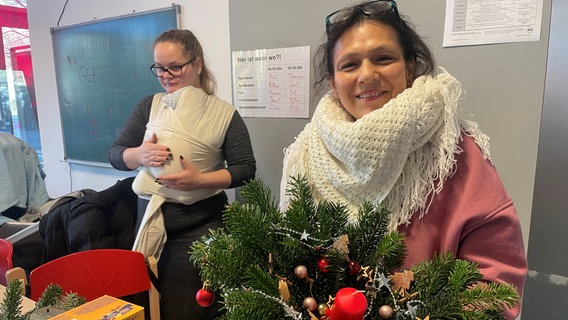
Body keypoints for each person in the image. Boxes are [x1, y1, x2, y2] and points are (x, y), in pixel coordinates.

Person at [279, 1, 527, 319]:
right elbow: (288, 257)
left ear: (409, 67)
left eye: (383, 58)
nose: (367, 75)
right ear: (333, 81)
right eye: (349, 65)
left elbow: (496, 274)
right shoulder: (305, 154)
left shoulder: (452, 150)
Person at [109, 29, 256, 319]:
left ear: (197, 65)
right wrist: (137, 154)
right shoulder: (149, 106)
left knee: (194, 308)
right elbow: (115, 153)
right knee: (150, 304)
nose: (165, 75)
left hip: (201, 229)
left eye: (174, 66)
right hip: (150, 223)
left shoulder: (223, 114)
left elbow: (246, 169)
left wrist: (201, 181)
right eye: (159, 67)